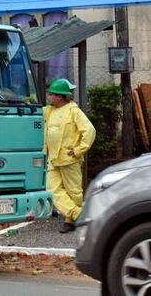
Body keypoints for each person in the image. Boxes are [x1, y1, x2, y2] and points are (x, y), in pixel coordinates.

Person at [42, 78, 96, 233]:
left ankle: (70, 221)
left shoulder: (74, 111)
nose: (49, 97)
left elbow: (89, 131)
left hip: (69, 158)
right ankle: (78, 214)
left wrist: (79, 149)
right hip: (53, 158)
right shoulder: (49, 111)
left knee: (74, 191)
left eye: (51, 94)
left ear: (60, 97)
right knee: (50, 189)